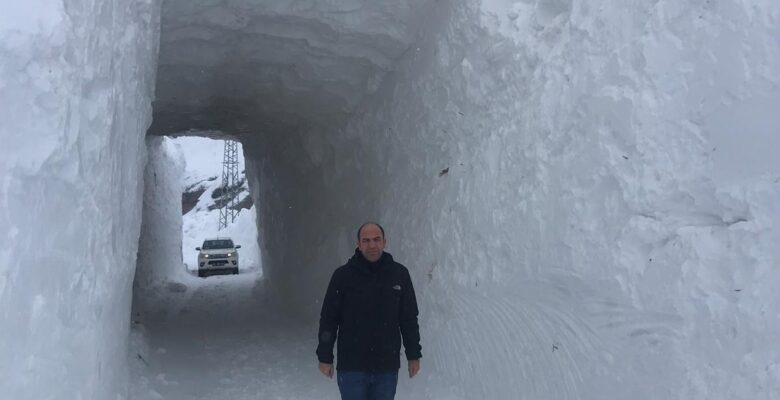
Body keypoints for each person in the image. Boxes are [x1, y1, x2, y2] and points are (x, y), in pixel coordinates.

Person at [316, 222, 422, 400]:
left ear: (384, 242)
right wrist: (325, 357)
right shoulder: (342, 276)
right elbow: (329, 319)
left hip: (386, 367)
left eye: (376, 239)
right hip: (351, 368)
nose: (372, 245)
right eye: (366, 240)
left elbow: (409, 318)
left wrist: (413, 355)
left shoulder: (399, 274)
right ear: (358, 244)